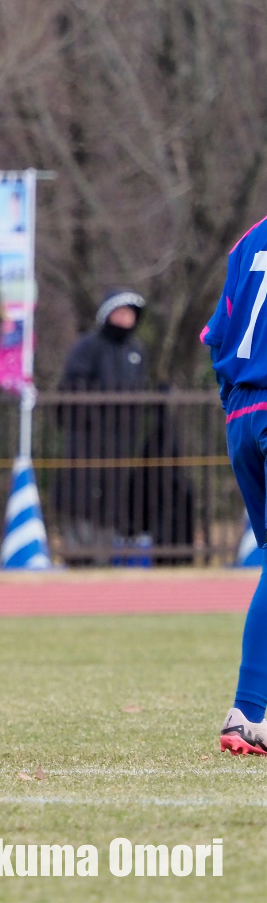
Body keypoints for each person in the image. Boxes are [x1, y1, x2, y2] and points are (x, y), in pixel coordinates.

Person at [200, 216, 267, 756]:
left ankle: (252, 710)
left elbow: (217, 335)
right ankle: (247, 709)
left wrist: (235, 407)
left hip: (244, 413)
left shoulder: (249, 237)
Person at [58, 288, 149, 564]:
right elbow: (72, 387)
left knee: (113, 498)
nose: (124, 320)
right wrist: (91, 420)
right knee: (81, 496)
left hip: (122, 440)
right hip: (86, 439)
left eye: (130, 315)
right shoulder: (88, 346)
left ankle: (104, 556)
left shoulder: (136, 350)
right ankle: (78, 554)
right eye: (120, 313)